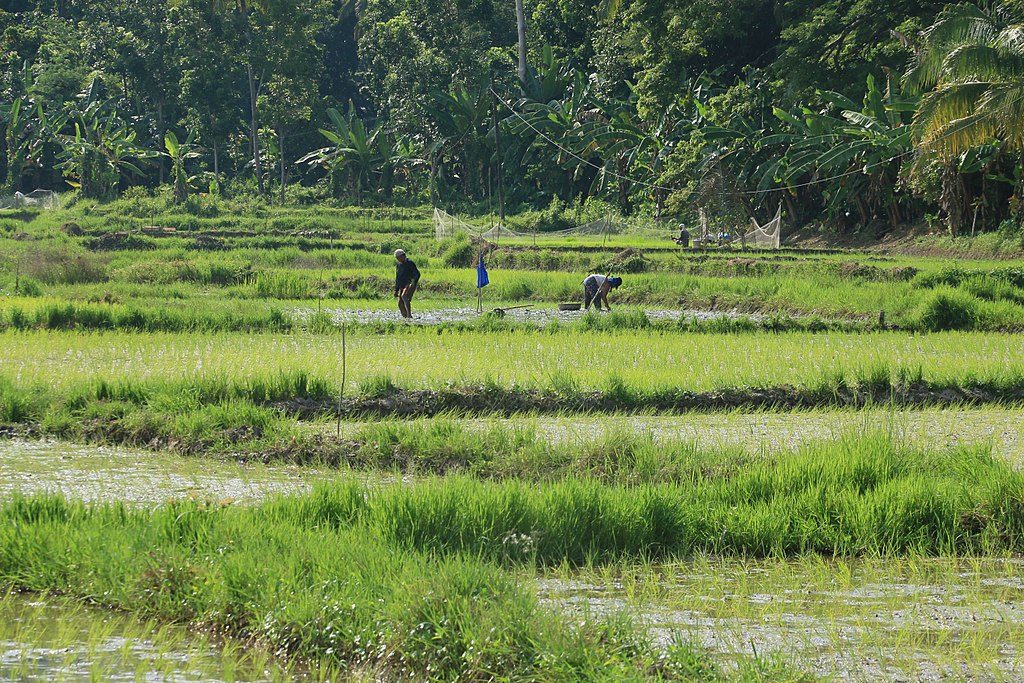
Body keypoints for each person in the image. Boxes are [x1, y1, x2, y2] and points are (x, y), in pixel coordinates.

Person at [394, 249, 420, 319]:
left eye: (398, 257)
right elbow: (398, 277)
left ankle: (409, 315)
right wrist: (396, 289)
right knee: (400, 303)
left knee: (404, 296)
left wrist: (413, 283)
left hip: (409, 284)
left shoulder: (410, 263)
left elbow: (417, 274)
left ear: (403, 256)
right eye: (396, 258)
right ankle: (405, 317)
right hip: (402, 285)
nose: (398, 259)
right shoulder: (399, 265)